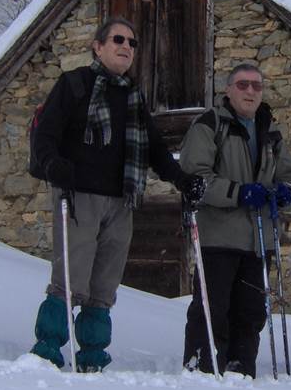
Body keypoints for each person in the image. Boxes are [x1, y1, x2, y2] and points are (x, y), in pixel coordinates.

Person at [29, 18, 203, 372]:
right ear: (98, 46)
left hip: (121, 200)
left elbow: (153, 149)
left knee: (104, 283)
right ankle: (47, 350)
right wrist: (53, 165)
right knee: (70, 278)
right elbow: (45, 134)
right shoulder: (74, 84)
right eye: (118, 39)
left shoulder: (133, 97)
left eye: (132, 42)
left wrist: (180, 179)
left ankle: (93, 353)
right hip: (78, 196)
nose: (126, 46)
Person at [179, 63, 291, 378]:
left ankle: (240, 368)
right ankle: (200, 365)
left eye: (256, 86)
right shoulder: (209, 124)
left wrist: (288, 193)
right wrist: (239, 192)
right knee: (211, 307)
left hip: (259, 239)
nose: (250, 91)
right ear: (228, 90)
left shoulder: (269, 131)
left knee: (251, 311)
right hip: (218, 235)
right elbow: (196, 177)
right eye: (243, 85)